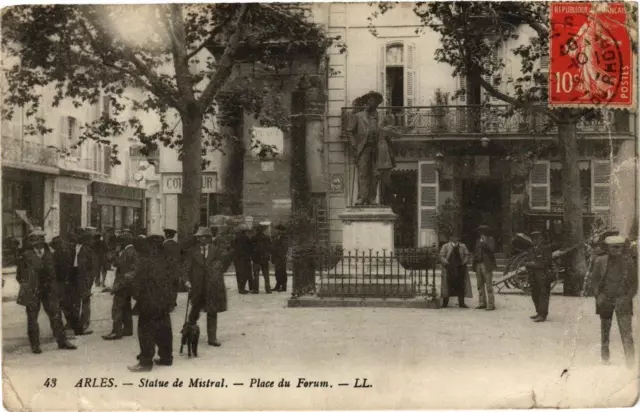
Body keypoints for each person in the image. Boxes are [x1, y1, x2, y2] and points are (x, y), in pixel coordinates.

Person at [17, 228, 76, 353]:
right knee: (32, 319)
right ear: (32, 242)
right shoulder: (26, 255)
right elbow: (19, 275)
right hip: (33, 291)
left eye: (41, 239)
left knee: (56, 315)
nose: (39, 242)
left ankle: (62, 341)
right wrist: (28, 285)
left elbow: (59, 271)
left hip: (49, 291)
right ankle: (35, 345)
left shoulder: (51, 254)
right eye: (35, 239)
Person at [128, 233, 178, 372]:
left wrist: (137, 296)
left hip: (148, 302)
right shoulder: (168, 259)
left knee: (145, 332)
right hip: (164, 302)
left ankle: (145, 362)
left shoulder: (146, 260)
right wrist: (171, 300)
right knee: (164, 330)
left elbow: (138, 282)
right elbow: (175, 280)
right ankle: (166, 358)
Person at [591, 235, 637, 367]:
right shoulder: (600, 261)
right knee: (605, 332)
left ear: (623, 248)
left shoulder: (629, 262)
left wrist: (627, 299)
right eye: (613, 247)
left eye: (619, 247)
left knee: (627, 334)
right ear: (607, 248)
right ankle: (605, 358)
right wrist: (598, 296)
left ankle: (630, 364)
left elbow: (634, 285)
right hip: (605, 300)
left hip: (623, 301)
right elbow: (593, 281)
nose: (616, 249)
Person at [347, 90, 396, 206]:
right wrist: (354, 145)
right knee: (363, 173)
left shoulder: (381, 117)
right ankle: (362, 198)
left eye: (372, 100)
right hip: (363, 149)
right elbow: (349, 131)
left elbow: (388, 130)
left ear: (377, 103)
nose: (369, 102)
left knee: (376, 174)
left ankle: (372, 199)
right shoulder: (358, 116)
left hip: (378, 148)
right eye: (368, 100)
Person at [183, 227, 228, 347]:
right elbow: (185, 268)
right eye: (197, 237)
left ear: (208, 238)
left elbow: (222, 266)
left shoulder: (216, 250)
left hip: (212, 287)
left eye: (202, 237)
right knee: (194, 311)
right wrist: (186, 281)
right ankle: (189, 333)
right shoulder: (192, 251)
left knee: (212, 312)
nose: (199, 239)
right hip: (197, 287)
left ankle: (212, 338)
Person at [103, 231, 138, 340]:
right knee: (126, 307)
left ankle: (116, 331)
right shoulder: (129, 251)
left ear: (124, 241)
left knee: (117, 308)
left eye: (120, 242)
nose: (118, 244)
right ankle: (128, 329)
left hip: (122, 284)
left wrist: (119, 284)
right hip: (127, 284)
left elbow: (130, 269)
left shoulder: (128, 252)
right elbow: (118, 264)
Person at [73, 228, 98, 335]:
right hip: (75, 277)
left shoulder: (88, 250)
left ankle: (84, 325)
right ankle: (75, 324)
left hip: (83, 279)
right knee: (75, 302)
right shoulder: (74, 248)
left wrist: (89, 282)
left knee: (85, 302)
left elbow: (91, 268)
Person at [525, 231, 553, 322]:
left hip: (543, 275)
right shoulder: (531, 249)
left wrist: (534, 264)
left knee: (543, 295)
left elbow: (547, 262)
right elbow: (527, 261)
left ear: (540, 239)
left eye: (536, 239)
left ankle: (543, 314)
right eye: (533, 239)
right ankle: (538, 312)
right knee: (534, 294)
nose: (534, 241)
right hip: (533, 276)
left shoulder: (546, 249)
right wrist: (530, 264)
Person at [439, 235, 472, 308]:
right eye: (453, 237)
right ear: (450, 238)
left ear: (458, 239)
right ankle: (445, 303)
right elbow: (441, 256)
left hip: (460, 268)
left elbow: (467, 255)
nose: (454, 239)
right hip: (449, 268)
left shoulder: (463, 246)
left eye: (456, 238)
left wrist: (463, 262)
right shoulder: (445, 246)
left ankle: (461, 303)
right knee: (447, 285)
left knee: (461, 285)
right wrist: (446, 262)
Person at [473, 225, 496, 311]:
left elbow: (492, 250)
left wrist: (485, 243)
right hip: (478, 264)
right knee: (480, 285)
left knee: (489, 285)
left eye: (482, 231)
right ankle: (482, 303)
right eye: (480, 232)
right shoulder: (477, 240)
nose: (480, 233)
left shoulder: (490, 240)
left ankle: (491, 304)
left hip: (487, 264)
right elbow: (475, 250)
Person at [251, 223, 272, 294]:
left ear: (256, 230)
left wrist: (252, 256)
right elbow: (269, 248)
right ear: (262, 231)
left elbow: (251, 249)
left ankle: (256, 289)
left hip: (256, 259)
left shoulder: (253, 238)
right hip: (265, 259)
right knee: (266, 274)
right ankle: (268, 289)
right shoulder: (267, 238)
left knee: (256, 275)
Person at [232, 225, 253, 294]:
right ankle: (242, 289)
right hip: (244, 258)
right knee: (245, 274)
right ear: (244, 232)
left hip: (237, 258)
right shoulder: (246, 238)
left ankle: (240, 288)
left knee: (239, 274)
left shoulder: (236, 238)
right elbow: (250, 248)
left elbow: (233, 247)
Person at [271, 224, 289, 292]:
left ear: (282, 231)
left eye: (278, 230)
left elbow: (284, 248)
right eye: (277, 230)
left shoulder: (284, 237)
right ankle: (278, 285)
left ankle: (284, 287)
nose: (277, 231)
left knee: (282, 272)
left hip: (281, 257)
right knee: (277, 272)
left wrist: (275, 248)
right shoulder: (276, 237)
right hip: (276, 257)